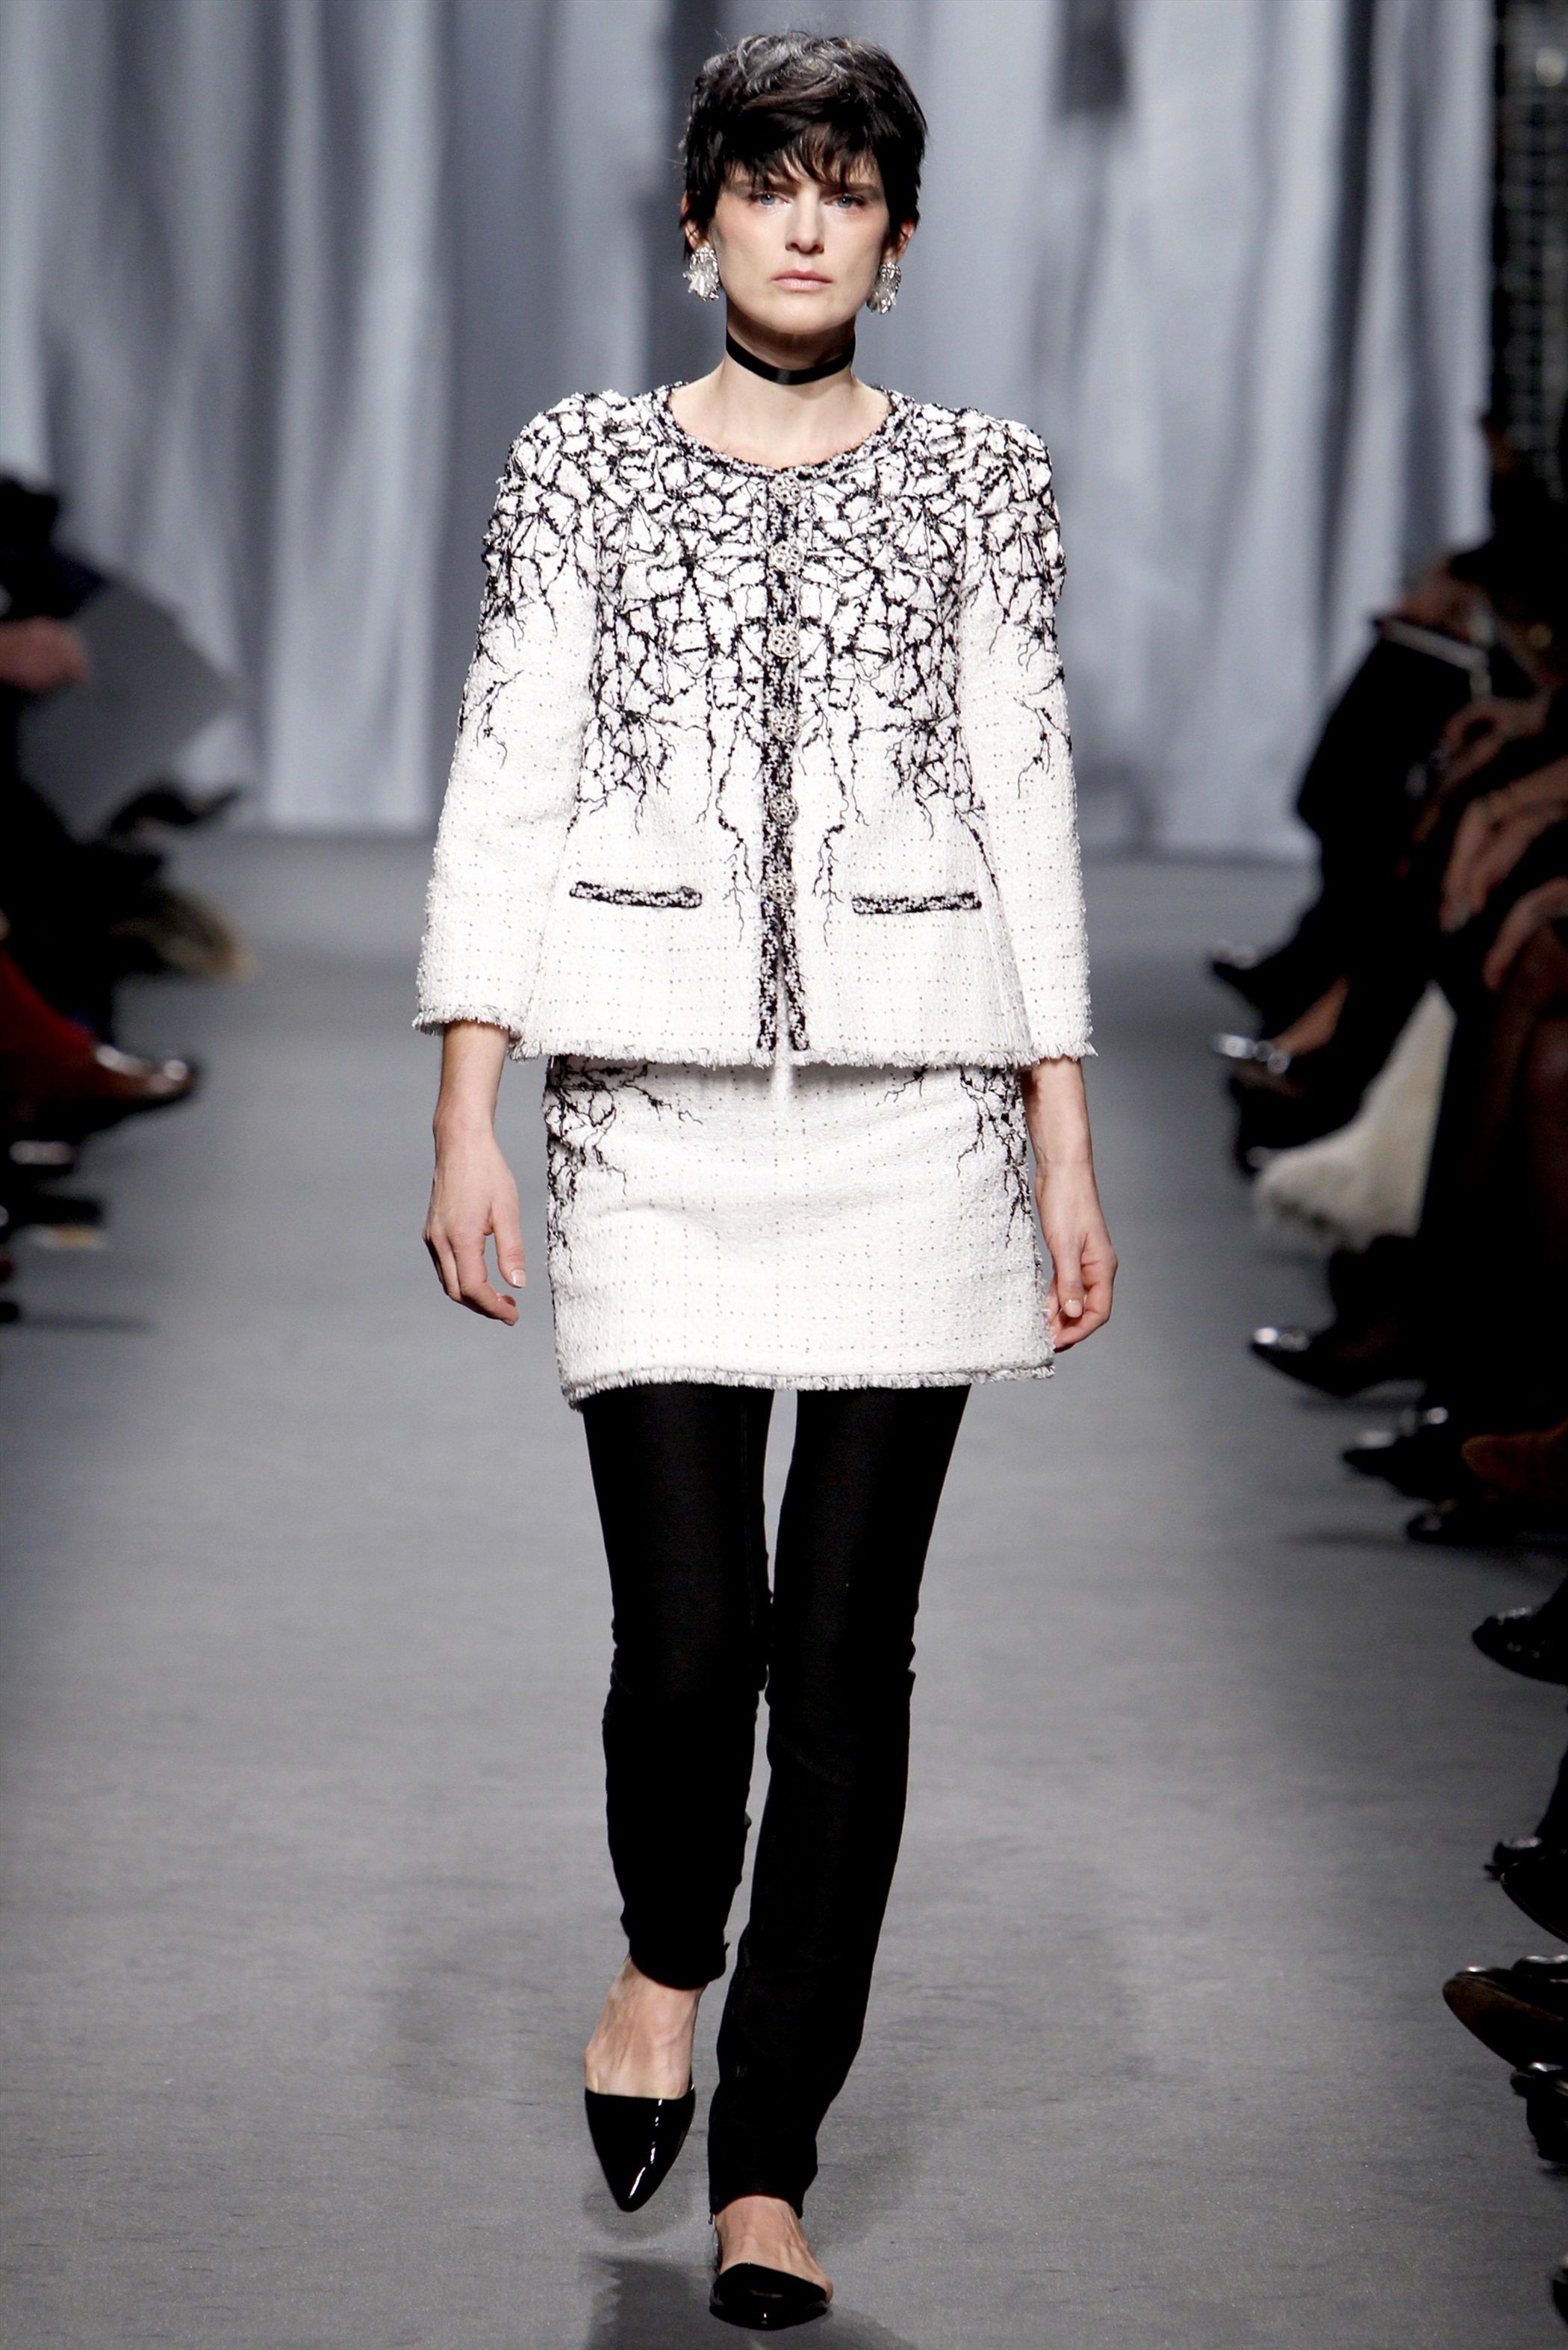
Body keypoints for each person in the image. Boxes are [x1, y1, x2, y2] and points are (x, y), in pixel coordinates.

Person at [416, 33, 1114, 2331]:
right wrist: (465, 1101)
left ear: (897, 240)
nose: (804, 220)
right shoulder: (580, 467)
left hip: (918, 1114)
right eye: (766, 179)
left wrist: (1061, 1136)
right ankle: (658, 1961)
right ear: (697, 214)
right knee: (691, 1630)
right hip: (647, 1109)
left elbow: (1023, 792)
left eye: (848, 187)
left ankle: (770, 2162)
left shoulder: (984, 479)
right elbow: (511, 767)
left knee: (843, 1660)